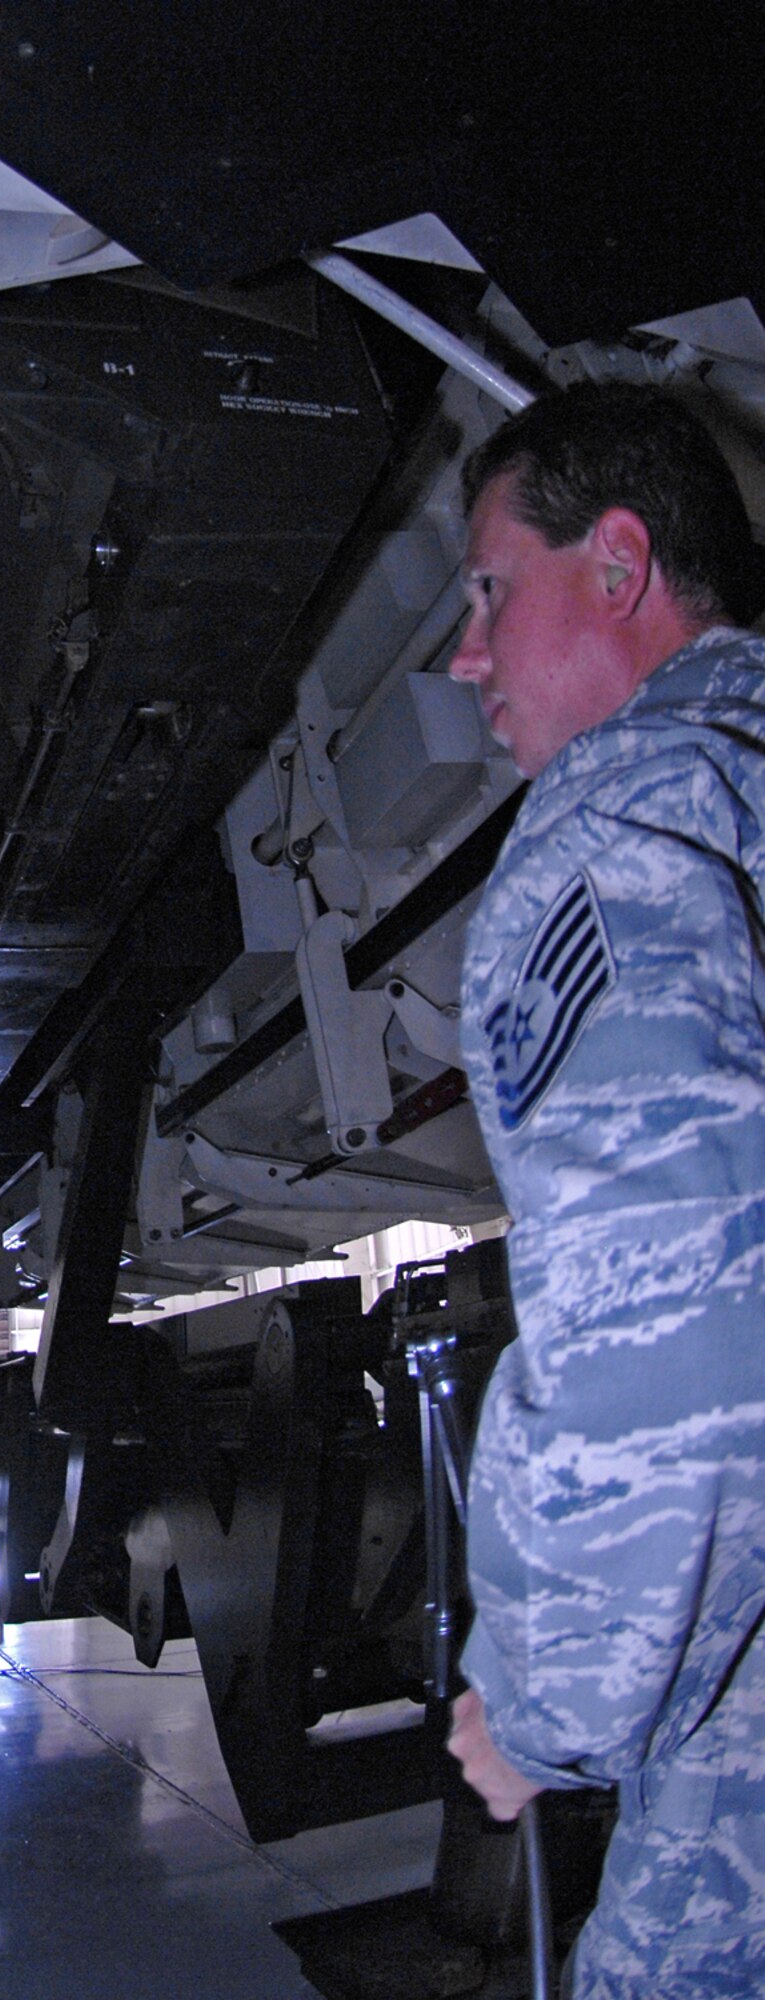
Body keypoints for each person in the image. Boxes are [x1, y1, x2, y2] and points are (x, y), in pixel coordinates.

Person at [443, 380, 765, 1998]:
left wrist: (536, 1705)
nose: (462, 655)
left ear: (617, 566)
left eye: (489, 591)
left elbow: (676, 1331)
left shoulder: (619, 820)